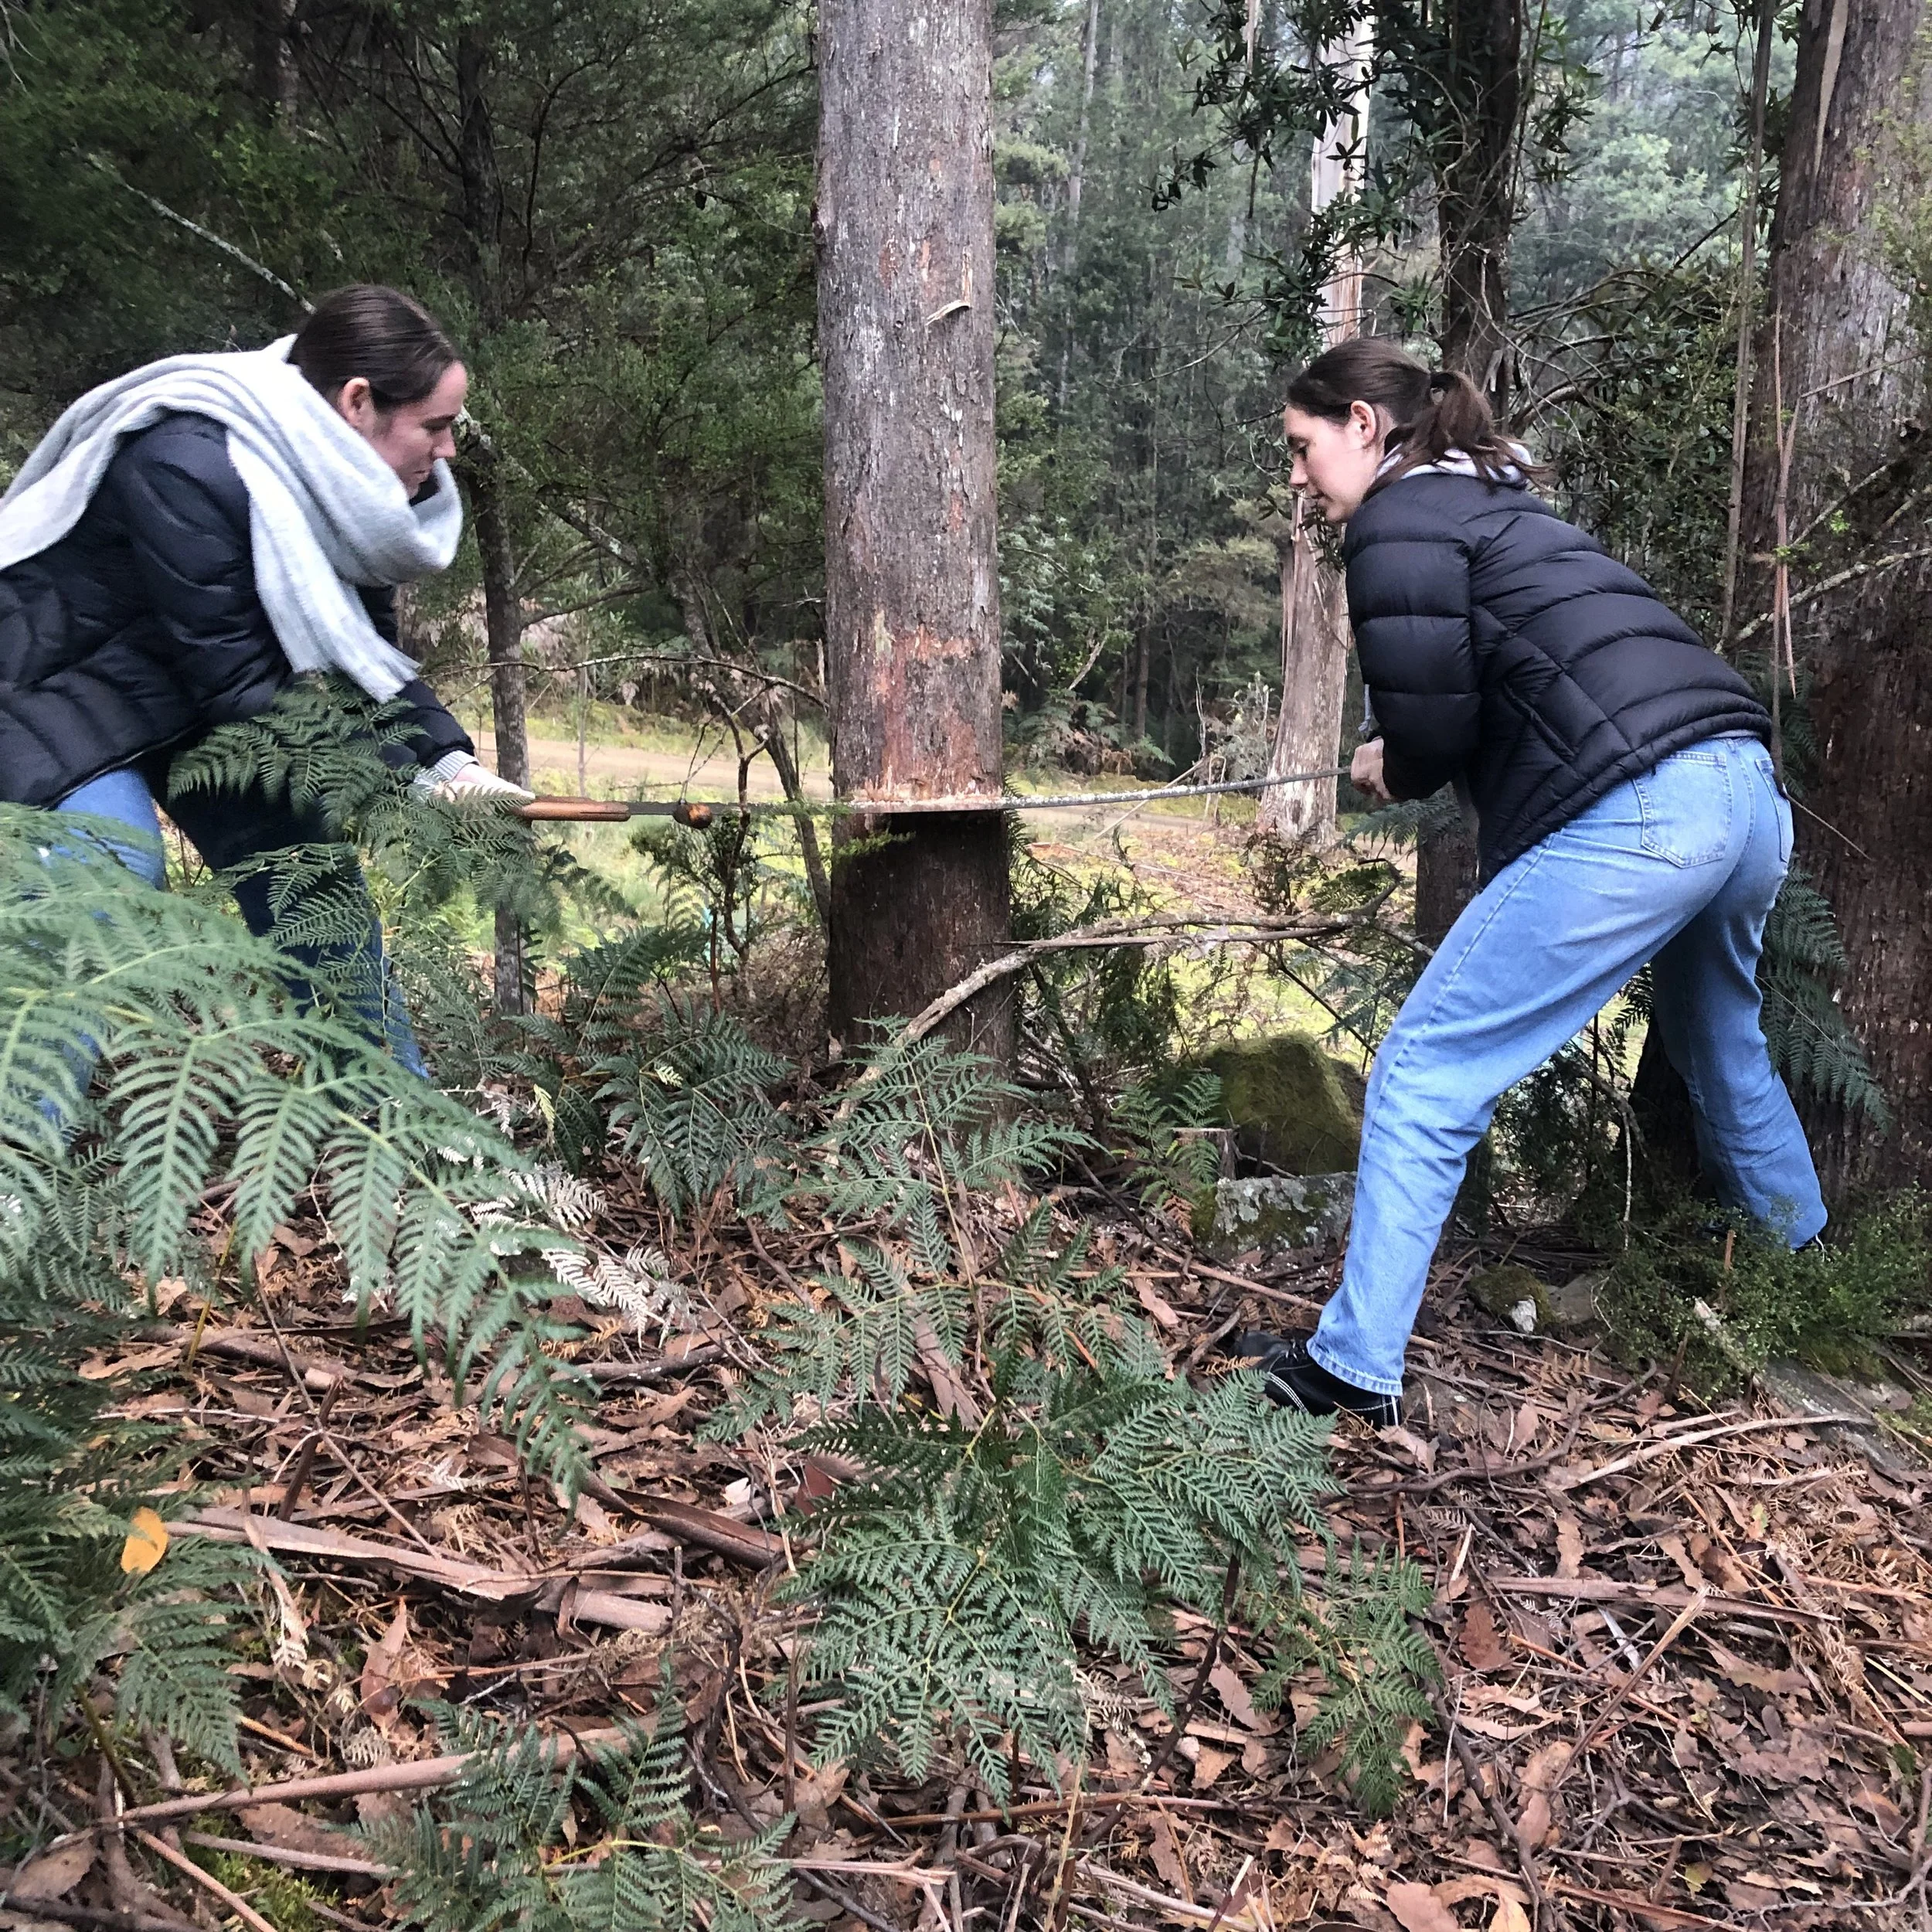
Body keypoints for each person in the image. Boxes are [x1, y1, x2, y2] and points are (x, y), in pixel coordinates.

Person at [1237, 337, 1825, 1426]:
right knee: (1718, 1036)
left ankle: (1349, 1369)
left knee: (1422, 1067)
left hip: (1645, 809)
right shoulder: (1500, 501)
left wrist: (1392, 761)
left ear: (1363, 427)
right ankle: (1811, 1270)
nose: (1299, 480)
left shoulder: (1399, 520)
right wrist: (1404, 742)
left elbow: (1430, 720)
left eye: (1302, 448)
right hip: (1745, 793)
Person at [0, 285, 529, 1076]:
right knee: (105, 885)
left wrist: (450, 764)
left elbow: (365, 665)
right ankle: (19, 1168)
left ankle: (406, 1140)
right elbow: (244, 687)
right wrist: (405, 789)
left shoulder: (353, 494)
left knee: (315, 890)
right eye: (435, 425)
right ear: (358, 402)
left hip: (184, 699)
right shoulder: (187, 462)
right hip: (51, 688)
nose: (449, 448)